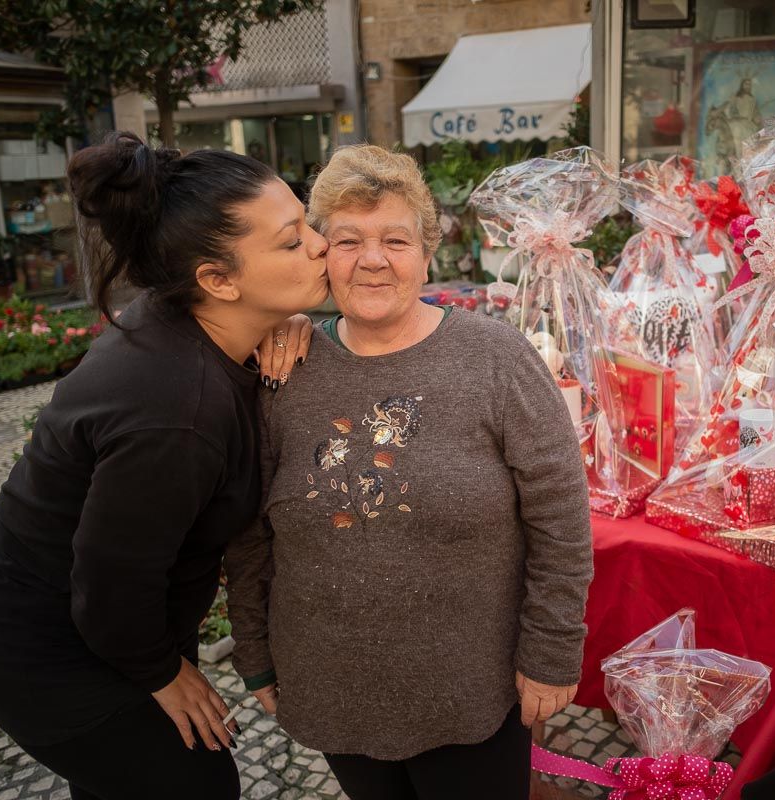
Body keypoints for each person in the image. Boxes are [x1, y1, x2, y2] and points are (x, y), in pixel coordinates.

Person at [0, 131, 328, 800]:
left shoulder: (195, 320)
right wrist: (161, 672)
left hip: (101, 616)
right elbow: (110, 582)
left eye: (307, 225)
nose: (320, 246)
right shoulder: (176, 409)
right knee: (196, 780)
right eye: (292, 241)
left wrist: (286, 321)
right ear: (217, 279)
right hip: (41, 640)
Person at [224, 145, 594, 800]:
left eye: (395, 239)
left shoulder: (496, 361)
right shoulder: (280, 372)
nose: (372, 259)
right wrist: (254, 655)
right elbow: (251, 534)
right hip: (330, 685)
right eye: (348, 240)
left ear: (428, 250)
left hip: (470, 692)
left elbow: (560, 521)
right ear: (322, 253)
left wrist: (551, 653)